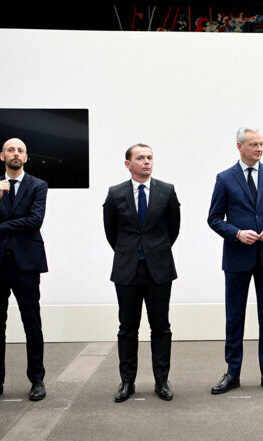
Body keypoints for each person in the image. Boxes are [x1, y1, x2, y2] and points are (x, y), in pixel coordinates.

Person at [207, 127, 263, 394]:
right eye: (254, 144)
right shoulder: (224, 178)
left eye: (262, 144)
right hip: (237, 258)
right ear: (239, 146)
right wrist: (237, 233)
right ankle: (233, 372)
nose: (259, 149)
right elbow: (214, 218)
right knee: (235, 317)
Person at [103, 143, 180, 403]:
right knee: (127, 329)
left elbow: (173, 229)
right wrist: (130, 251)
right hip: (127, 270)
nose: (146, 162)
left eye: (149, 157)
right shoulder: (115, 194)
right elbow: (111, 232)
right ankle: (127, 382)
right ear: (128, 164)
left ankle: (162, 381)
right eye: (140, 158)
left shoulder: (167, 191)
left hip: (159, 269)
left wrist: (155, 249)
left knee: (161, 328)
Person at [0, 138, 48, 404]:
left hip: (26, 264)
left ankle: (37, 380)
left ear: (26, 157)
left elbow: (34, 221)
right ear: (2, 156)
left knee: (32, 324)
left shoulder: (38, 185)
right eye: (10, 150)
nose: (15, 154)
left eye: (20, 150)